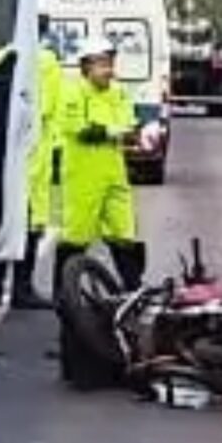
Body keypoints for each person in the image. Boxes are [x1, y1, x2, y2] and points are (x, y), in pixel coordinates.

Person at [0, 17, 65, 309]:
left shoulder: (3, 55)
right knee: (30, 226)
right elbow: (48, 108)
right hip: (34, 155)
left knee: (4, 219)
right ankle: (22, 289)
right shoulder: (46, 61)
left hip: (4, 154)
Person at [58, 38, 146, 289]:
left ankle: (133, 290)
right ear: (86, 67)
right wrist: (114, 131)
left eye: (110, 63)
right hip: (82, 177)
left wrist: (133, 132)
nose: (109, 70)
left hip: (114, 175)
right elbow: (78, 129)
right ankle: (64, 296)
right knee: (75, 237)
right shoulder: (72, 91)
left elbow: (129, 124)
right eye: (102, 64)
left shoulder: (117, 93)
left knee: (124, 234)